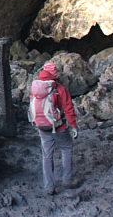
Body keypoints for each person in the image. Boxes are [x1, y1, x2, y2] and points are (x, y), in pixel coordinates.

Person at [30, 62, 78, 195]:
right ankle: (67, 180)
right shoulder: (60, 89)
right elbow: (68, 109)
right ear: (54, 73)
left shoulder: (36, 88)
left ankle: (49, 187)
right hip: (58, 126)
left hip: (42, 126)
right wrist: (73, 125)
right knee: (66, 148)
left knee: (46, 155)